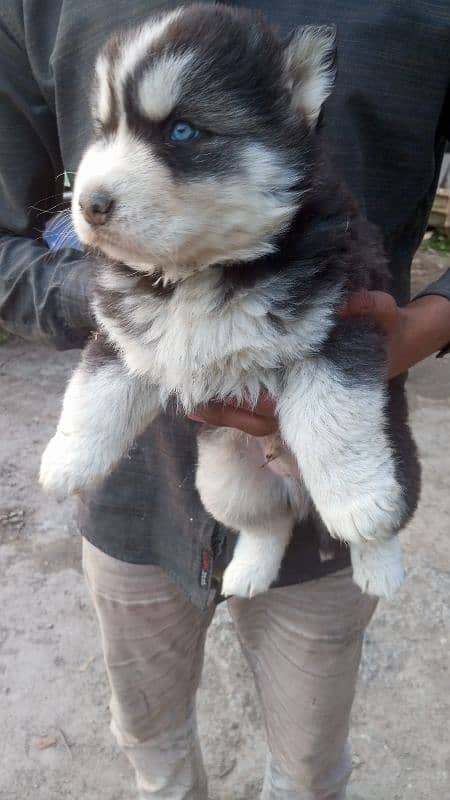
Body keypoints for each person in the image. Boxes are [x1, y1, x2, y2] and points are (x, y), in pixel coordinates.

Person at [1, 2, 449, 798]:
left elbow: (343, 362)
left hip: (330, 527)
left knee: (308, 767)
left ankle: (356, 533)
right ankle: (259, 543)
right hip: (133, 510)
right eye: (106, 129)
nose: (99, 179)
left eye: (179, 135)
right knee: (150, 740)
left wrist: (422, 326)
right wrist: (116, 312)